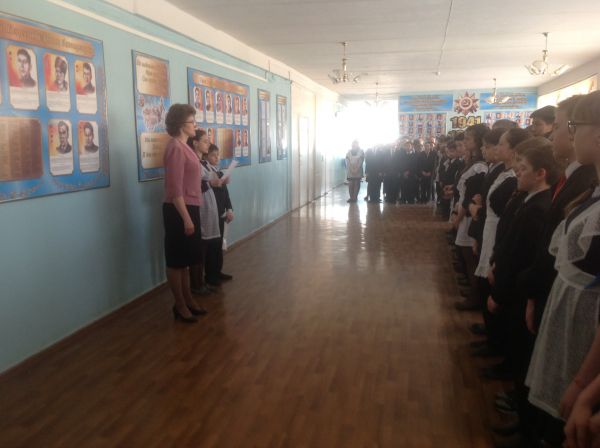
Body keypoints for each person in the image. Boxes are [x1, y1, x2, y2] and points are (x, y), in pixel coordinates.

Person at [525, 91, 600, 442]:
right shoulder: (591, 191)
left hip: (586, 335)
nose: (568, 134)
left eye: (572, 126)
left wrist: (585, 383)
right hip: (568, 313)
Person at [162, 103, 206, 323]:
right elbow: (175, 189)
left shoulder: (185, 146)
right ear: (181, 125)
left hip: (189, 207)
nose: (195, 125)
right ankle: (179, 304)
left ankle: (188, 298)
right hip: (178, 210)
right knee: (176, 261)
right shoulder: (175, 148)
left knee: (186, 260)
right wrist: (187, 219)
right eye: (192, 121)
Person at [205, 144, 234, 284]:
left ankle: (218, 271)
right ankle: (210, 276)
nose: (217, 158)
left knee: (220, 244)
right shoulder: (206, 174)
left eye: (218, 155)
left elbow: (225, 194)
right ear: (206, 157)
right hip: (212, 214)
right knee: (212, 245)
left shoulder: (220, 173)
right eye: (213, 155)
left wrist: (229, 209)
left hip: (221, 213)